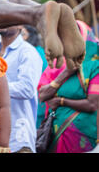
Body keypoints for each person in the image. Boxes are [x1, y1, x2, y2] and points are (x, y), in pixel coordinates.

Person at [38, 20, 99, 153]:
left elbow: (92, 104)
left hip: (85, 137)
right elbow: (43, 95)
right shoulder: (58, 63)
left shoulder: (95, 65)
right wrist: (66, 72)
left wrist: (61, 101)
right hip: (56, 133)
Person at [0, 26, 43, 153]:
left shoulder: (27, 52)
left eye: (9, 17)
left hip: (18, 137)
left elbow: (27, 88)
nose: (3, 22)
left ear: (20, 25)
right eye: (1, 16)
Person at [20, 24, 49, 128]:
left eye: (22, 34)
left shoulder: (33, 52)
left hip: (36, 97)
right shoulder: (38, 51)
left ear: (29, 35)